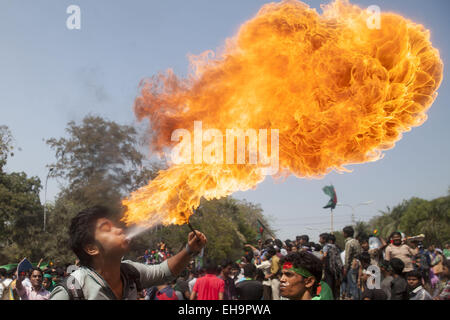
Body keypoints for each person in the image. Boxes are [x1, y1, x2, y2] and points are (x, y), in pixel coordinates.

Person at [51, 206, 206, 300]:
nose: (119, 230)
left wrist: (189, 250)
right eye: (107, 229)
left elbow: (164, 272)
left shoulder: (130, 272)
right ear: (92, 248)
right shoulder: (70, 291)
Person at [343, 226, 361, 300]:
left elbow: (348, 257)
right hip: (358, 265)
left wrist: (345, 268)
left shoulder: (348, 243)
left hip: (351, 267)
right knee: (357, 285)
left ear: (346, 233)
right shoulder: (356, 241)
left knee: (353, 285)